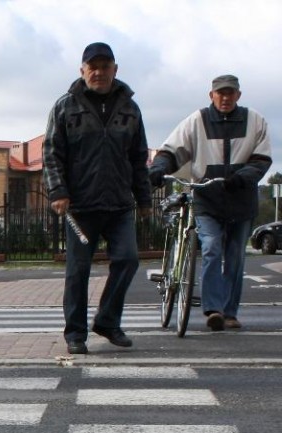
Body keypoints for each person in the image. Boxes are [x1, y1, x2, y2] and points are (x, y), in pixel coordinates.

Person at [43, 42, 152, 355]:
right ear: (82, 70)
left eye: (105, 67)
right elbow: (52, 152)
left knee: (128, 260)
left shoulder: (130, 108)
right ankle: (75, 333)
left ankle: (107, 321)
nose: (98, 72)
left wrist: (144, 199)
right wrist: (58, 191)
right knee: (78, 270)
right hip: (80, 206)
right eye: (92, 67)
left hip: (119, 204)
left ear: (114, 70)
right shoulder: (65, 106)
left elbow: (138, 156)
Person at [149, 74, 272, 331]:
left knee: (236, 256)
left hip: (241, 199)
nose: (225, 98)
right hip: (208, 199)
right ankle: (214, 309)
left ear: (238, 95)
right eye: (220, 93)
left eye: (230, 93)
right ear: (211, 95)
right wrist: (159, 168)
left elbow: (261, 160)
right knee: (212, 247)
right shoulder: (197, 121)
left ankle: (230, 312)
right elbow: (172, 150)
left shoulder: (255, 121)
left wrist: (240, 178)